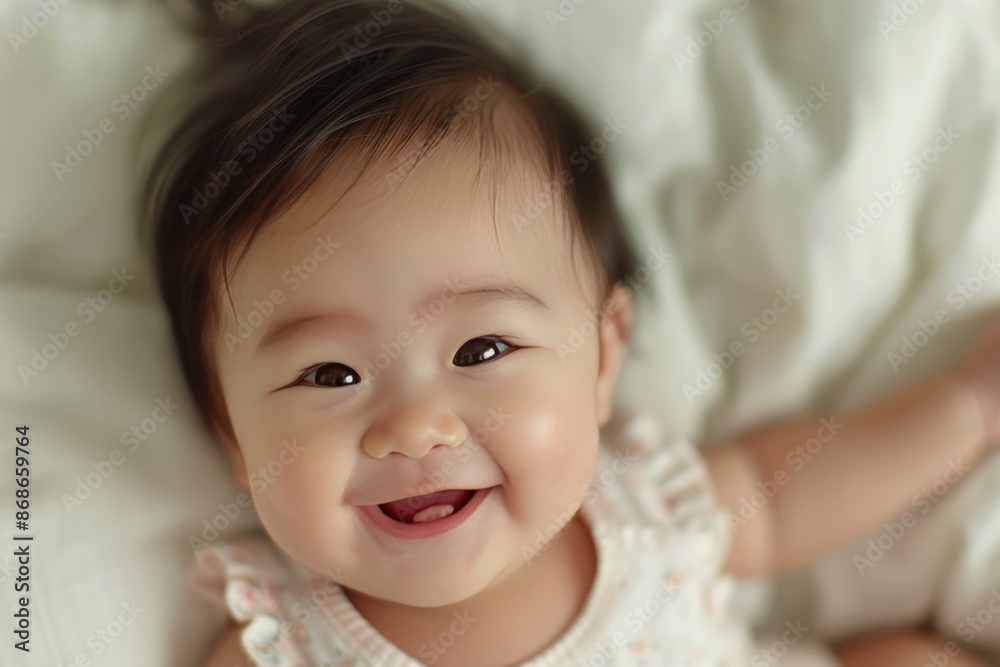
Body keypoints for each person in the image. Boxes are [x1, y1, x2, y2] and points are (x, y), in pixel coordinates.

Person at [139, 0, 1000, 664]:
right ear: (233, 436)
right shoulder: (281, 642)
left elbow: (782, 500)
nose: (416, 427)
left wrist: (965, 405)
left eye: (482, 350)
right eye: (328, 374)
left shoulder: (641, 507)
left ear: (601, 357)